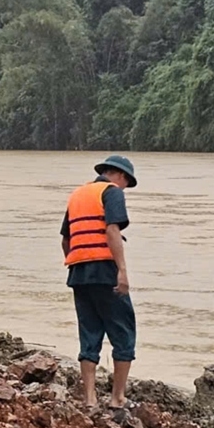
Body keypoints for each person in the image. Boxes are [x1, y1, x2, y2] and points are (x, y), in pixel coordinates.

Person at [60, 154, 138, 408]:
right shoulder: (112, 192)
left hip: (79, 274)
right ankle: (117, 398)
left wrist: (77, 262)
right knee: (124, 332)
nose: (125, 187)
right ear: (120, 175)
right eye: (127, 182)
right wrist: (122, 272)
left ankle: (90, 399)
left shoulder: (78, 195)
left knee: (89, 333)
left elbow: (65, 240)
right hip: (105, 271)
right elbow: (112, 230)